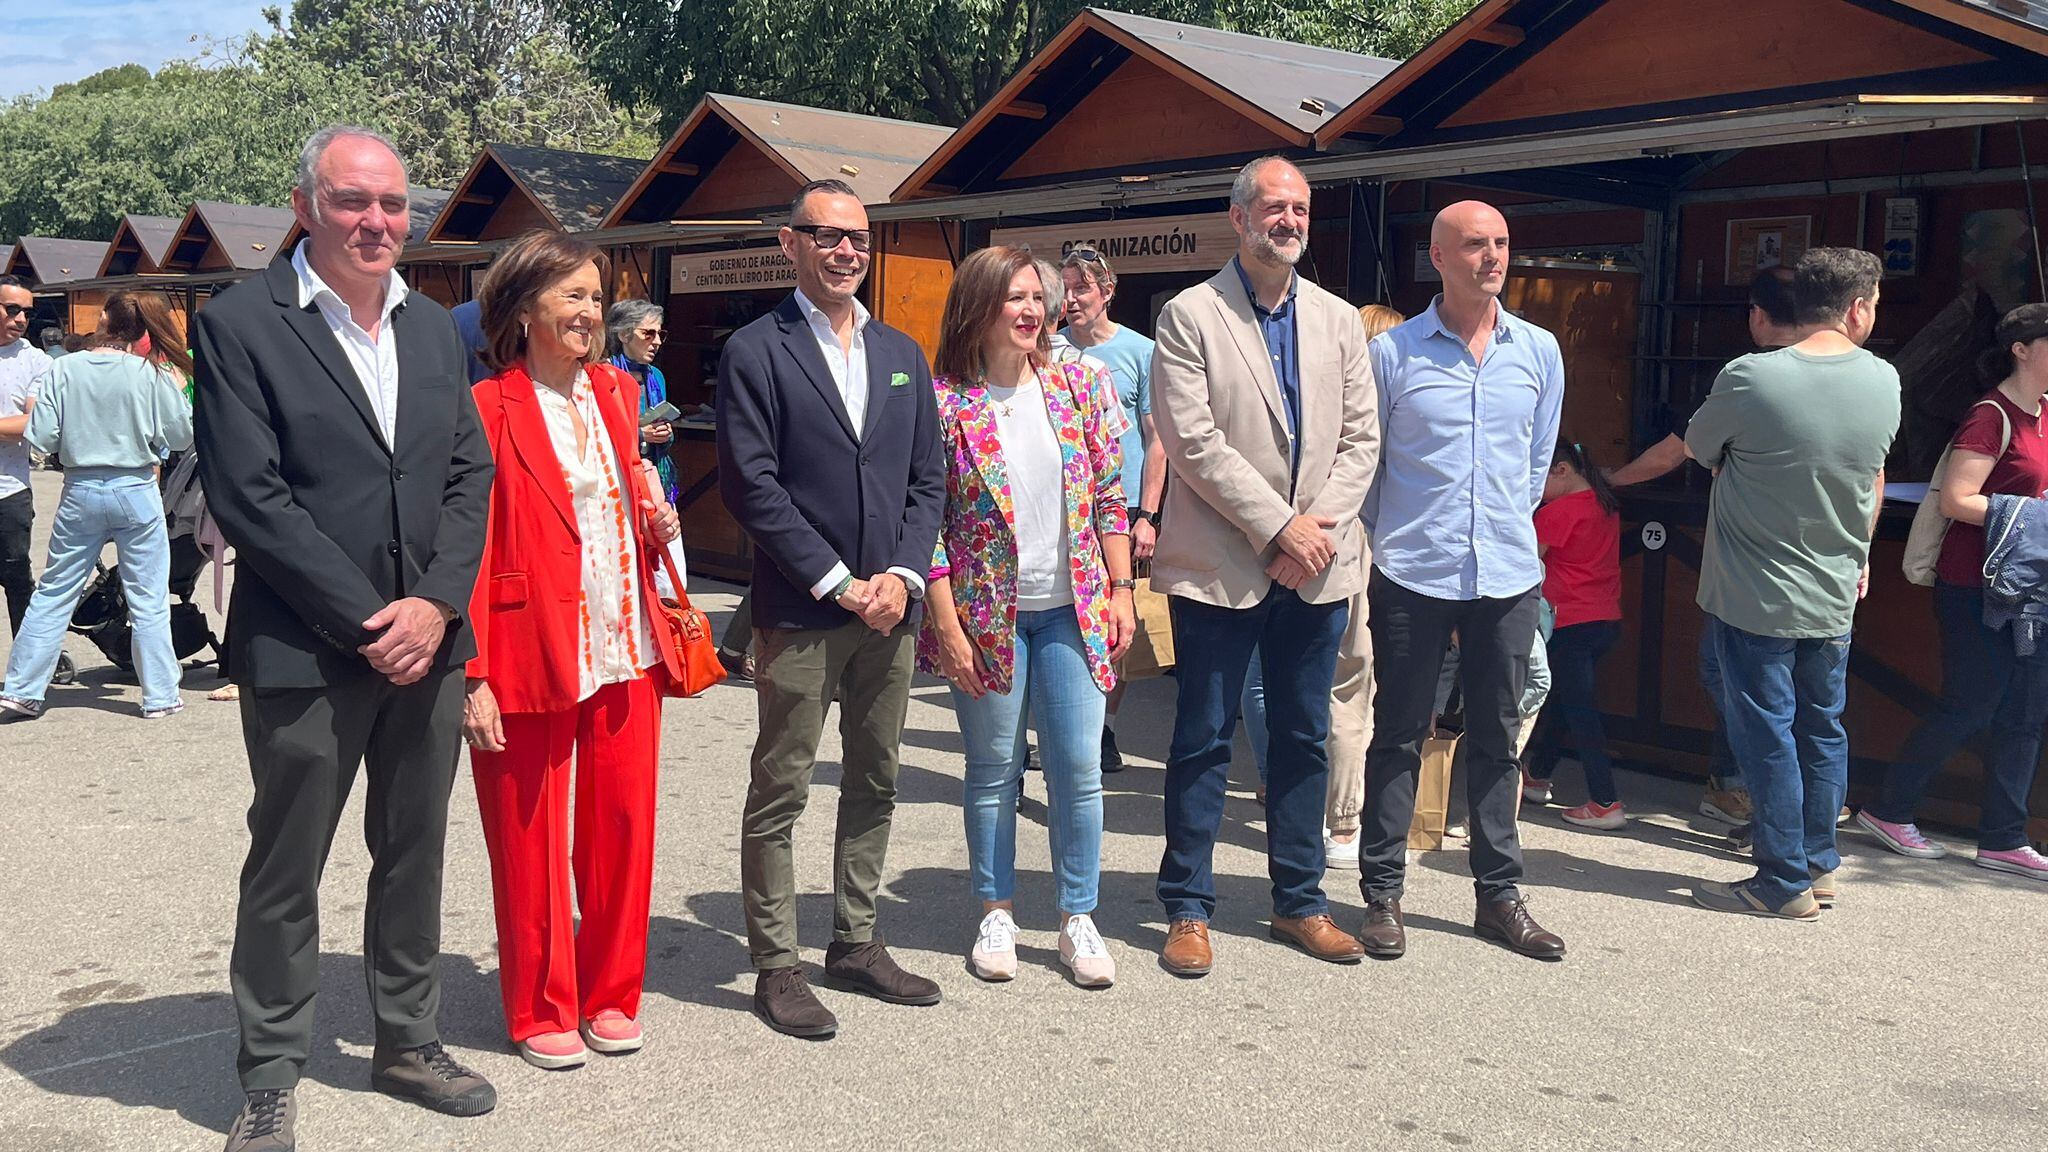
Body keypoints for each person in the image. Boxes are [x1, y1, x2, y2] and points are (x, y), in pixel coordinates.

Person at [195, 125, 497, 1152]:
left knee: (412, 851)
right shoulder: (242, 323)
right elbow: (252, 497)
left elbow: (469, 475)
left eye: (392, 204)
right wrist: (372, 620)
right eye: (352, 202)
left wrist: (436, 606)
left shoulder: (427, 330)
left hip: (429, 644)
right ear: (304, 205)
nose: (377, 222)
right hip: (306, 646)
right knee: (288, 864)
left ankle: (406, 1039)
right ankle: (270, 1072)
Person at [716, 178, 946, 1038]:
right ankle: (776, 965)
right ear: (791, 243)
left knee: (875, 779)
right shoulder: (756, 350)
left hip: (890, 611)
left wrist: (900, 577)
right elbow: (751, 485)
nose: (848, 250)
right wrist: (836, 579)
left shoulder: (901, 352)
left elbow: (928, 482)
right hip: (805, 609)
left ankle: (854, 941)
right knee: (781, 787)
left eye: (859, 237)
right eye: (829, 236)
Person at [1150, 156, 1380, 976]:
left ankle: (1300, 901)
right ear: (1239, 218)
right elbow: (1193, 442)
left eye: (1300, 208)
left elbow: (1363, 441)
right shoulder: (1189, 315)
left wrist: (1312, 532)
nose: (1289, 220)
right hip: (1224, 566)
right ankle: (1187, 906)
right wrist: (1281, 527)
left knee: (1303, 736)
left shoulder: (1339, 319)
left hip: (1318, 567)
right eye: (1274, 207)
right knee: (1204, 738)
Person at [460, 232, 684, 1069]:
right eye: (573, 296)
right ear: (522, 310)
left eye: (596, 296)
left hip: (627, 637)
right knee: (527, 838)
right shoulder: (487, 407)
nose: (591, 312)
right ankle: (540, 1004)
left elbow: (624, 503)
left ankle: (612, 993)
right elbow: (468, 545)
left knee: (624, 828)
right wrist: (471, 671)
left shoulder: (622, 394)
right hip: (526, 645)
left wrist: (654, 522)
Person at [918, 246, 1135, 987]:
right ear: (978, 306)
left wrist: (1121, 586)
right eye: (1014, 296)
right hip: (986, 617)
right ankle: (995, 912)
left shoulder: (1080, 382)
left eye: (1037, 297)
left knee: (1078, 769)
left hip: (1073, 606)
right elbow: (930, 525)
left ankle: (1079, 917)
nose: (1032, 310)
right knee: (992, 770)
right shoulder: (945, 399)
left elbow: (1110, 490)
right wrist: (946, 626)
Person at [1358, 200, 1566, 963]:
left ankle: (1498, 896)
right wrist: (1397, 539)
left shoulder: (1539, 351)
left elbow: (1535, 464)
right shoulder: (1395, 354)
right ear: (1439, 257)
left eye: (1502, 243)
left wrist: (1502, 524)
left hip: (1508, 570)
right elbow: (1370, 466)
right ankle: (1382, 893)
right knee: (1400, 733)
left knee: (1498, 737)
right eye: (1476, 245)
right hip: (1414, 567)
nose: (1493, 257)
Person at [1686, 247, 1900, 920]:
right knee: (1821, 729)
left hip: (1754, 588)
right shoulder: (1884, 380)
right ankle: (1817, 863)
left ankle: (1781, 880)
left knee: (1766, 734)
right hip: (1834, 583)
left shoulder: (1752, 376)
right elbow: (1868, 477)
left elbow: (1700, 448)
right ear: (1859, 307)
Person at [1605, 264, 1800, 828]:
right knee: (1800, 692)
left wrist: (1610, 479)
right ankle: (1762, 794)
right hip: (1823, 563)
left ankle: (1759, 796)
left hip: (1748, 560)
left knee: (1731, 677)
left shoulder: (1748, 376)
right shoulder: (1861, 375)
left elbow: (1676, 450)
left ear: (1757, 316)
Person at [1859, 303, 2048, 882]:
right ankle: (1889, 809)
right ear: (2021, 348)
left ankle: (2004, 837)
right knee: (1973, 702)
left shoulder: (2044, 412)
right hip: (1976, 586)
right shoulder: (1990, 415)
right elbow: (1956, 499)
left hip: (2031, 588)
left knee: (2025, 712)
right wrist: (2035, 516)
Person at [0, 292, 193, 721]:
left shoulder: (63, 368)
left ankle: (23, 690)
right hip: (137, 485)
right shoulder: (152, 373)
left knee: (53, 592)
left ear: (103, 320)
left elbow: (44, 437)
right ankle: (160, 694)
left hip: (80, 486)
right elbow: (182, 436)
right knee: (148, 596)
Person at [1058, 245, 1157, 774]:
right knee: (1060, 620)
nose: (1071, 298)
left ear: (1107, 292)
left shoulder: (1140, 352)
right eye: (1066, 287)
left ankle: (1104, 731)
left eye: (1082, 288)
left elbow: (1156, 438)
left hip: (1122, 509)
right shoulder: (1044, 349)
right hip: (1061, 510)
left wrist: (1150, 515)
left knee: (1115, 623)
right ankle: (1058, 728)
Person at [1523, 439, 1626, 829]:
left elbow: (1528, 563)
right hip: (1604, 618)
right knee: (1568, 701)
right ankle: (1539, 775)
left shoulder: (1557, 511)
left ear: (1561, 470)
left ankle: (1605, 800)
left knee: (1581, 712)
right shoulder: (1604, 503)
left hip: (1568, 620)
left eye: (1538, 476)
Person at [0, 274, 71, 686]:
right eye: (12, 309)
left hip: (9, 490)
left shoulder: (36, 363)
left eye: (28, 311)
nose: (22, 318)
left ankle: (33, 666)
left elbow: (31, 424)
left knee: (17, 580)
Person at [606, 299, 679, 506]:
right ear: (623, 335)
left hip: (653, 476)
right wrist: (640, 435)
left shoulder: (656, 376)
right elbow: (598, 430)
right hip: (618, 479)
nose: (657, 342)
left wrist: (665, 434)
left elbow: (663, 427)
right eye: (648, 333)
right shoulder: (604, 374)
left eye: (660, 334)